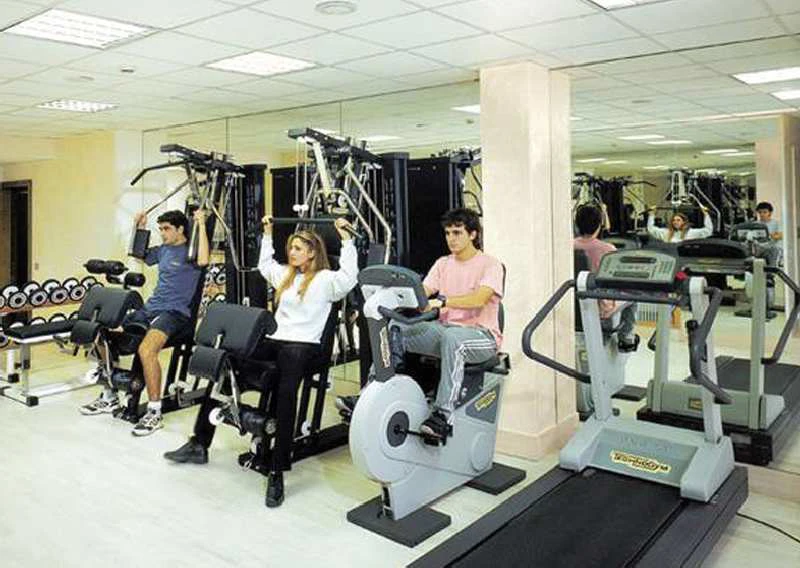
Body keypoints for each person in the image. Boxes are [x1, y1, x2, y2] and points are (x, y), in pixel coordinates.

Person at [164, 216, 358, 509]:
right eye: (290, 247)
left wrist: (346, 239)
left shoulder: (326, 280)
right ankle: (199, 443)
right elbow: (265, 265)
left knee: (286, 392)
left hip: (304, 346)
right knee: (226, 364)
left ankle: (277, 472)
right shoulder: (287, 276)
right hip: (276, 340)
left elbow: (350, 277)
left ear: (312, 253)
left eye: (298, 248)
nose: (291, 252)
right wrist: (267, 234)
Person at [80, 209, 209, 437]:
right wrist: (139, 227)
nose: (162, 233)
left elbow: (204, 260)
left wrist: (201, 223)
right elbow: (138, 254)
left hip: (175, 314)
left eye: (166, 229)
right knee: (101, 333)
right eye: (160, 229)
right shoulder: (164, 250)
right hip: (150, 308)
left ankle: (154, 411)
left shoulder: (191, 251)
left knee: (146, 350)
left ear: (180, 229)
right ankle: (110, 395)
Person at [573, 205, 638, 351]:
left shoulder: (569, 245)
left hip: (575, 304)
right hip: (601, 310)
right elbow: (619, 279)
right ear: (598, 224)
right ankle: (626, 339)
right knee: (633, 297)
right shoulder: (608, 249)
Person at [647, 206, 713, 242]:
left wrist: (706, 214)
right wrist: (651, 214)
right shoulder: (666, 232)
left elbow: (708, 231)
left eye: (678, 220)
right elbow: (651, 229)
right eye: (674, 220)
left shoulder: (690, 233)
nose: (675, 222)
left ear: (683, 222)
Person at [754, 201, 783, 267]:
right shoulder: (755, 224)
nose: (762, 214)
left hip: (771, 248)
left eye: (764, 212)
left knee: (774, 250)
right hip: (759, 249)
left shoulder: (776, 223)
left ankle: (772, 270)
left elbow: (780, 235)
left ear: (770, 213)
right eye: (760, 212)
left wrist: (769, 235)